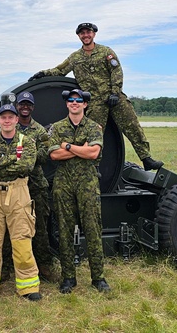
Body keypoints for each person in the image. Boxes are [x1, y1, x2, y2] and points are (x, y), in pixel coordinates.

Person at [30, 22, 163, 171]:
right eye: (82, 33)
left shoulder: (106, 52)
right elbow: (60, 70)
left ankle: (146, 158)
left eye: (88, 32)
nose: (86, 35)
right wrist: (43, 73)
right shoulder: (75, 58)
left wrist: (115, 92)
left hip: (114, 97)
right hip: (95, 102)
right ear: (79, 36)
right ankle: (95, 168)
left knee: (132, 125)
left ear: (93, 34)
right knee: (93, 134)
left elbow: (116, 71)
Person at [0, 102, 41, 302]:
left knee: (22, 241)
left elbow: (27, 166)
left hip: (19, 192)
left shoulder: (27, 141)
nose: (7, 120)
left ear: (16, 119)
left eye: (11, 117)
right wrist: (13, 160)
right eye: (3, 117)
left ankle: (28, 287)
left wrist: (1, 161)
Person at [47, 89, 110, 294]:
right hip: (63, 184)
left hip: (87, 184)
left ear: (85, 105)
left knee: (92, 228)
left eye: (79, 100)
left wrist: (66, 146)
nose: (74, 103)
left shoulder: (94, 127)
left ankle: (98, 277)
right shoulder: (57, 128)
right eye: (71, 100)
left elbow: (93, 153)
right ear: (67, 104)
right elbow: (54, 155)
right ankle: (68, 278)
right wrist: (78, 148)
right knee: (64, 231)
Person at [14, 91, 57, 282]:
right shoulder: (9, 127)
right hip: (13, 184)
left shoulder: (40, 131)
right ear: (17, 106)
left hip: (35, 185)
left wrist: (22, 156)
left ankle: (44, 266)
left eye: (28, 104)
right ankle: (10, 267)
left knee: (39, 227)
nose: (25, 107)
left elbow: (44, 155)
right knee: (12, 227)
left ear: (32, 107)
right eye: (21, 104)